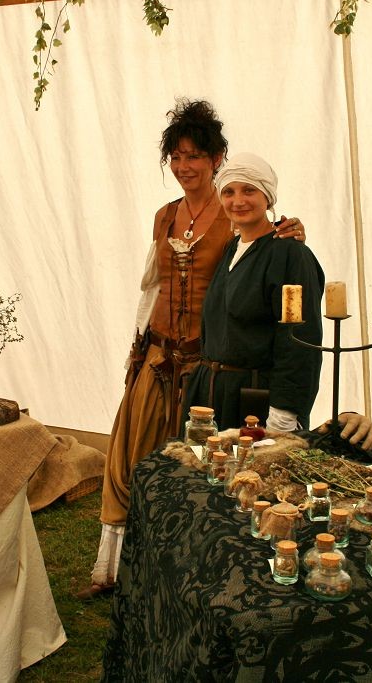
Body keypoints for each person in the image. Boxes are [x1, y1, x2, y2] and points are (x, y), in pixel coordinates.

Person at [79, 100, 306, 599]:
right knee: (129, 459)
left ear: (216, 158)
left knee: (189, 474)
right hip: (158, 357)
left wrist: (291, 234)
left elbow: (267, 264)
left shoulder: (235, 215)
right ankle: (109, 570)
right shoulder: (164, 216)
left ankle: (164, 575)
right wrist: (137, 346)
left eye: (195, 156)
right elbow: (152, 286)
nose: (184, 167)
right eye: (176, 158)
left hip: (206, 367)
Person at [181, 152, 325, 432]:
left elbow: (300, 341)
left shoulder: (290, 254)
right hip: (212, 395)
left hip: (255, 400)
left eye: (249, 190)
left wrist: (285, 412)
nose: (238, 201)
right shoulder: (231, 249)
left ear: (267, 197)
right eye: (229, 192)